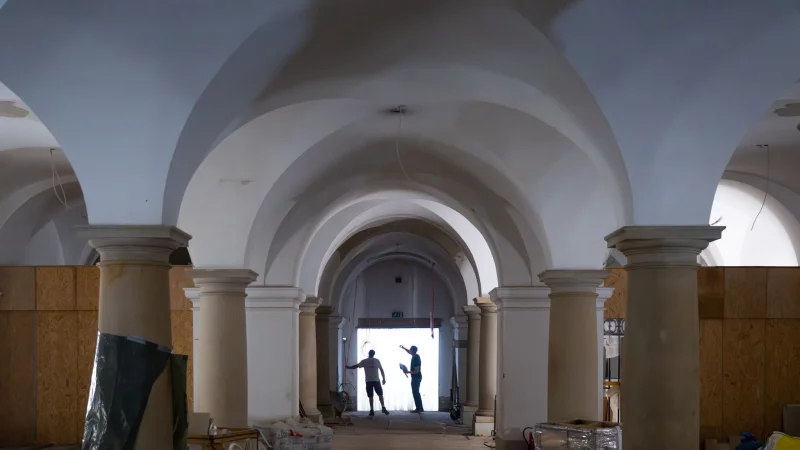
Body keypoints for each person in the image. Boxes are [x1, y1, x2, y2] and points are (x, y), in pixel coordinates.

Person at [346, 349, 389, 416]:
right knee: (380, 394)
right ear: (374, 354)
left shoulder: (365, 361)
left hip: (369, 381)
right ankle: (383, 407)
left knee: (371, 396)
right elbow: (381, 370)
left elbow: (356, 366)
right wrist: (384, 379)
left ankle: (372, 410)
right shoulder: (376, 361)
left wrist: (348, 367)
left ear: (369, 354)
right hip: (376, 381)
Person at [400, 345, 423, 413]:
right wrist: (403, 348)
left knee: (416, 392)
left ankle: (419, 408)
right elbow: (408, 352)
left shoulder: (416, 358)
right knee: (415, 392)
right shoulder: (414, 356)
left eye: (410, 350)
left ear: (413, 351)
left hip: (417, 377)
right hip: (415, 377)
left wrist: (407, 371)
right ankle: (419, 407)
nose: (409, 351)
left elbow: (416, 371)